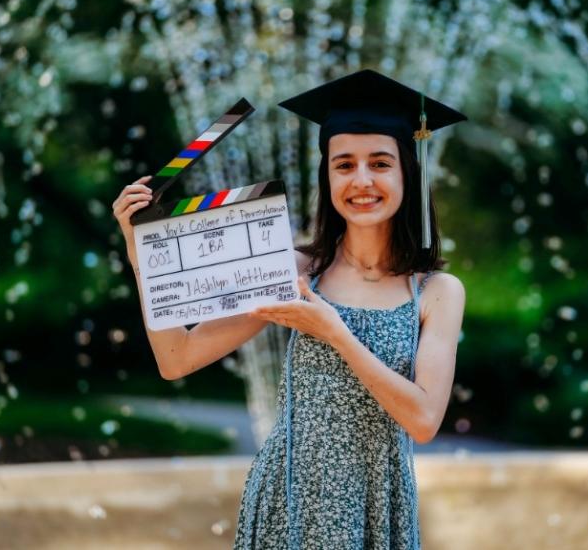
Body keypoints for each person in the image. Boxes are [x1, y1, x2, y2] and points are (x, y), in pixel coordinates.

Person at [112, 69, 466, 549]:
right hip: (287, 498)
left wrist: (336, 333)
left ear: (408, 173)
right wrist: (144, 258)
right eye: (344, 165)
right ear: (328, 177)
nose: (361, 180)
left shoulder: (435, 291)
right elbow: (178, 358)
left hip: (374, 502)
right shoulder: (295, 271)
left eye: (380, 163)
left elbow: (423, 420)